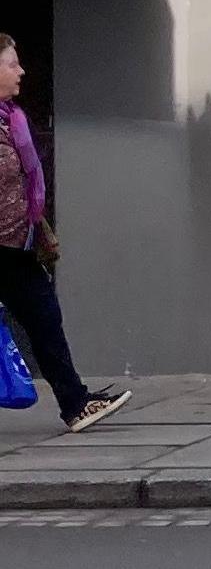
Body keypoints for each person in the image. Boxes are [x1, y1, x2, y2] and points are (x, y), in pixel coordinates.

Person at [0, 34, 129, 432]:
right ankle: (75, 403)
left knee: (45, 320)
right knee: (43, 320)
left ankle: (75, 404)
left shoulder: (12, 120)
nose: (21, 70)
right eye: (11, 63)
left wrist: (36, 228)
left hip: (15, 247)